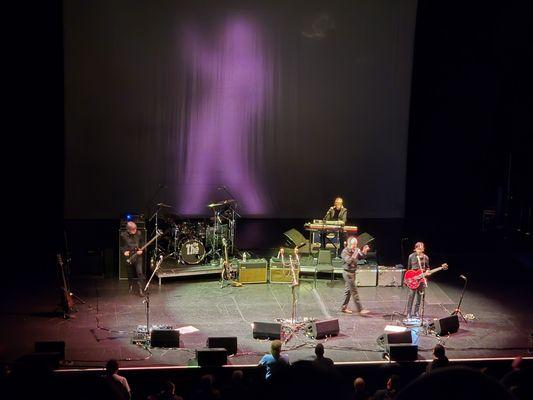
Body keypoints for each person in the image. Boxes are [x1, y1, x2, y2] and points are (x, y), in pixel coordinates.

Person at [340, 236, 370, 314]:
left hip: (353, 272)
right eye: (354, 244)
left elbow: (362, 256)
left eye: (356, 244)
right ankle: (360, 309)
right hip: (347, 273)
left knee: (348, 292)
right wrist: (355, 253)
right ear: (349, 244)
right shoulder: (344, 252)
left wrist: (364, 250)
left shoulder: (355, 250)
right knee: (354, 291)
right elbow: (349, 261)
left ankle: (343, 308)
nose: (355, 246)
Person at [120, 221, 145, 296]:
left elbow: (142, 243)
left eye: (135, 229)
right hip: (129, 256)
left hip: (137, 255)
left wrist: (142, 250)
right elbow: (121, 246)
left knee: (139, 272)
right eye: (133, 229)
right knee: (129, 273)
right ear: (128, 230)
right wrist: (124, 252)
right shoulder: (123, 235)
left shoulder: (139, 233)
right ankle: (130, 285)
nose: (135, 231)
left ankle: (141, 289)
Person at [406, 242, 430, 318]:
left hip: (421, 280)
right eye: (418, 249)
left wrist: (427, 272)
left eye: (421, 249)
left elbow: (428, 267)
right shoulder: (411, 256)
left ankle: (416, 312)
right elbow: (409, 269)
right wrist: (407, 280)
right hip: (413, 280)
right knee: (411, 296)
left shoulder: (426, 257)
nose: (420, 250)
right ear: (415, 249)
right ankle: (408, 313)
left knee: (419, 296)